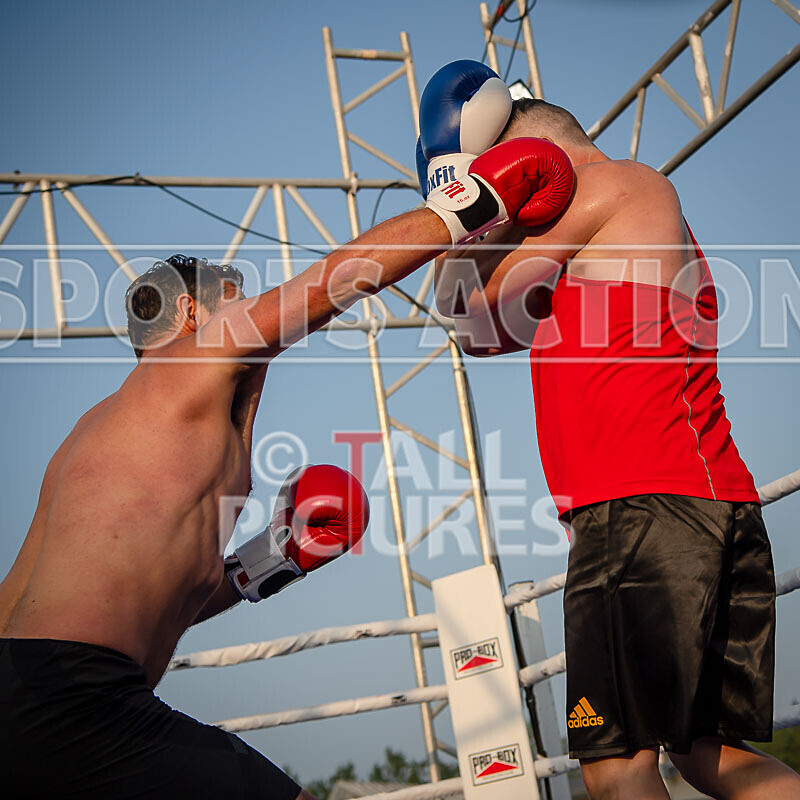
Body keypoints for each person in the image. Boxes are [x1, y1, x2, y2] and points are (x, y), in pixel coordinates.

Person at [0, 137, 575, 799]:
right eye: (233, 301)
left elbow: (164, 601)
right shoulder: (192, 361)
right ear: (190, 315)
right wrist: (472, 204)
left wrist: (275, 558)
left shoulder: (127, 436)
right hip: (72, 692)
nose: (252, 315)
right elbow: (335, 279)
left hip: (42, 691)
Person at [418, 60, 800, 799]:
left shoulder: (618, 184)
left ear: (535, 166)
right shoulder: (590, 251)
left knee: (614, 769)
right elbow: (468, 323)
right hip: (696, 507)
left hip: (642, 511)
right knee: (708, 757)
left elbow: (457, 298)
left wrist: (457, 203)